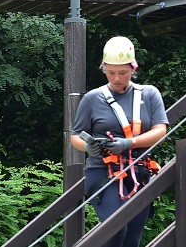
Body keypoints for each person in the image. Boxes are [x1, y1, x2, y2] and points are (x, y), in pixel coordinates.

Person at [70, 36, 168, 247]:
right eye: (111, 72)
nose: (116, 78)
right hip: (103, 171)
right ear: (104, 68)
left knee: (132, 239)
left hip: (139, 171)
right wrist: (89, 147)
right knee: (115, 230)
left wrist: (128, 144)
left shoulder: (149, 94)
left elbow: (160, 130)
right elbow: (75, 135)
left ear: (133, 68)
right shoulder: (93, 99)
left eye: (123, 73)